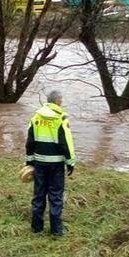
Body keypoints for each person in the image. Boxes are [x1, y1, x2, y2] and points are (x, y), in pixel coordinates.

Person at [24, 90, 76, 237]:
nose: (62, 102)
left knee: (38, 194)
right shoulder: (61, 118)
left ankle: (36, 228)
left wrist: (29, 160)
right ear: (57, 101)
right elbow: (67, 142)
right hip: (56, 164)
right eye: (61, 99)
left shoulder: (36, 116)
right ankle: (56, 230)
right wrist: (70, 162)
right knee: (56, 195)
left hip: (39, 162)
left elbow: (30, 141)